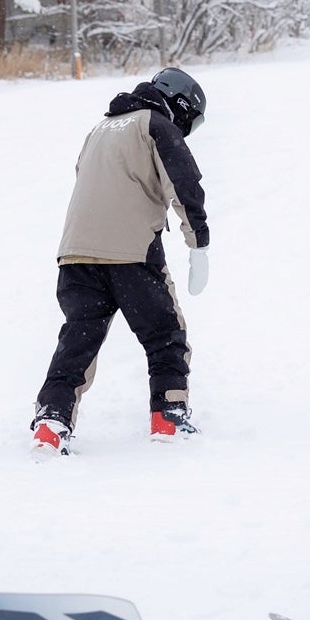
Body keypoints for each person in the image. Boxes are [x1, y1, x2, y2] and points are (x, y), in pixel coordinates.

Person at [30, 68, 210, 458]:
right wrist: (199, 243)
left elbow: (85, 178)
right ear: (181, 105)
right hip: (131, 255)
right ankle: (169, 414)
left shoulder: (99, 128)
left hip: (75, 255)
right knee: (165, 333)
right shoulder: (156, 125)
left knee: (78, 342)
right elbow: (184, 183)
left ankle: (51, 422)